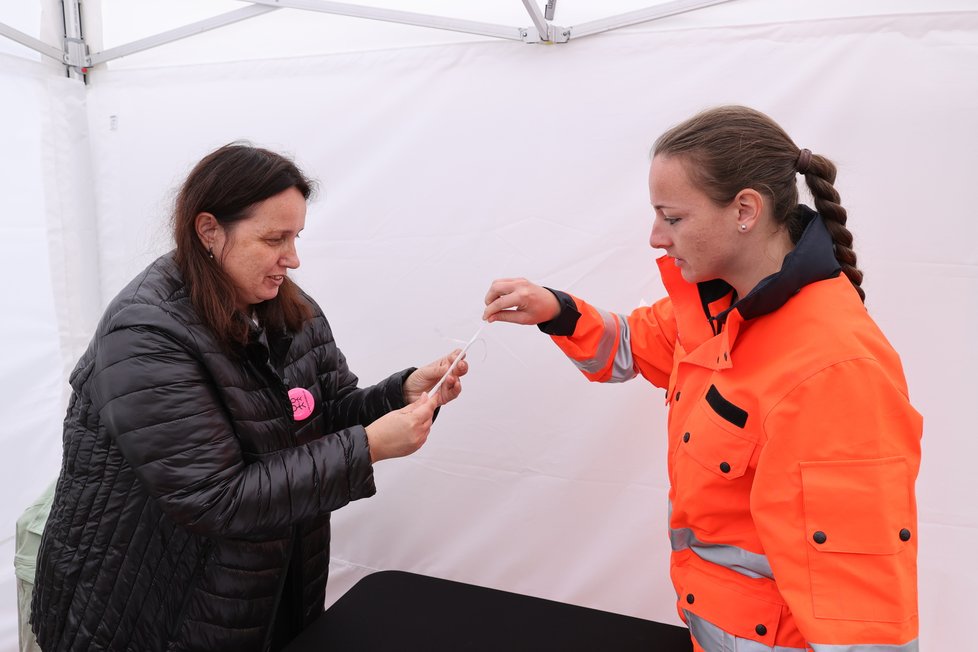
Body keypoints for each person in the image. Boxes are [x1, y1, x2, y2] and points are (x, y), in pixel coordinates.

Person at [483, 106, 921, 651]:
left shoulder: (833, 372)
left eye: (672, 217)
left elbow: (860, 616)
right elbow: (629, 346)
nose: (655, 237)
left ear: (745, 210)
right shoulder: (721, 308)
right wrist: (557, 310)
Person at [30, 143, 468, 652]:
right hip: (150, 603)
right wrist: (367, 447)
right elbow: (215, 498)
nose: (293, 257)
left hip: (260, 587)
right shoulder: (145, 333)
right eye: (274, 238)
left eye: (296, 236)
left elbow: (323, 412)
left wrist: (401, 393)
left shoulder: (289, 308)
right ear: (209, 230)